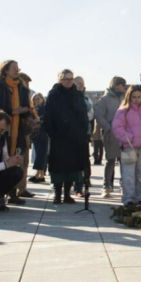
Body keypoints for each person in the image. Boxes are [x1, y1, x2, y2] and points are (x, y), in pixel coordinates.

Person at [0, 60, 33, 204]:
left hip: (18, 130)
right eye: (14, 68)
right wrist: (12, 111)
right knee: (2, 159)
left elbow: (27, 107)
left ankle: (13, 193)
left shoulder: (21, 87)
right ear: (5, 70)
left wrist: (24, 111)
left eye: (18, 68)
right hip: (2, 130)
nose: (17, 70)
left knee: (17, 160)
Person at [43, 69, 89, 204]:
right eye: (65, 79)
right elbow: (48, 115)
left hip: (75, 137)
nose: (68, 81)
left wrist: (82, 132)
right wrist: (52, 132)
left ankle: (67, 194)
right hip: (58, 137)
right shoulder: (53, 94)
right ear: (60, 80)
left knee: (72, 167)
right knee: (58, 167)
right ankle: (57, 194)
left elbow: (83, 115)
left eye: (70, 79)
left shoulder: (77, 94)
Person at [113, 85, 141, 208]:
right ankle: (128, 198)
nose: (136, 99)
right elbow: (117, 127)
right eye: (134, 97)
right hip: (129, 147)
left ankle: (139, 198)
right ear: (129, 97)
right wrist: (128, 138)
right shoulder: (123, 111)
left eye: (139, 97)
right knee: (128, 174)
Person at [94, 76, 126, 198]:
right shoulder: (105, 99)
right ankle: (106, 186)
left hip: (124, 133)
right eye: (123, 85)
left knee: (124, 160)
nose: (124, 87)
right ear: (116, 85)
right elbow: (99, 115)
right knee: (111, 160)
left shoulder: (124, 98)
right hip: (111, 134)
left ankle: (124, 185)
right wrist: (108, 127)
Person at [73, 76, 95, 197]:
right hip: (71, 135)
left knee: (85, 161)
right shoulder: (69, 97)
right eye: (78, 83)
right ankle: (75, 185)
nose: (80, 85)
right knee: (73, 161)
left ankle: (83, 184)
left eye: (82, 83)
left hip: (84, 134)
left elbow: (90, 115)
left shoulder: (86, 99)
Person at [28, 93, 49, 184]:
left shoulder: (44, 107)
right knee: (40, 154)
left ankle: (38, 175)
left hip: (43, 133)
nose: (37, 100)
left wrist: (39, 119)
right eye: (35, 99)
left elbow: (46, 117)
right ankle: (41, 175)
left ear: (42, 99)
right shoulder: (33, 109)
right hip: (35, 134)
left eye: (38, 98)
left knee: (41, 154)